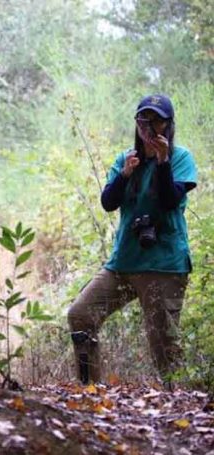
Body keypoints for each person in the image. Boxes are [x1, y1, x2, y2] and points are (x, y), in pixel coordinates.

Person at [67, 94, 197, 385]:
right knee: (81, 315)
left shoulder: (181, 158)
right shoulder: (126, 159)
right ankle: (89, 391)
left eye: (157, 121)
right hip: (123, 262)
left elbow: (169, 201)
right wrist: (125, 174)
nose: (150, 127)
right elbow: (108, 203)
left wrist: (163, 162)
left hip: (164, 265)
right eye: (144, 120)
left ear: (168, 124)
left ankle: (178, 406)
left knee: (164, 348)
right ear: (136, 124)